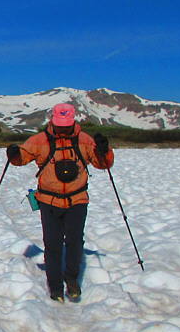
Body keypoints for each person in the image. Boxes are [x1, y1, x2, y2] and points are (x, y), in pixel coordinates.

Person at [6, 103, 113, 303]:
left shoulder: (85, 140)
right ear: (53, 121)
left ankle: (71, 279)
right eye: (59, 124)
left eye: (66, 125)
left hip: (77, 200)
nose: (63, 128)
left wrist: (104, 150)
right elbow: (22, 157)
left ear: (73, 121)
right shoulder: (40, 140)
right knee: (52, 244)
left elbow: (103, 164)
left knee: (74, 242)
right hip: (49, 201)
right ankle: (55, 287)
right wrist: (13, 154)